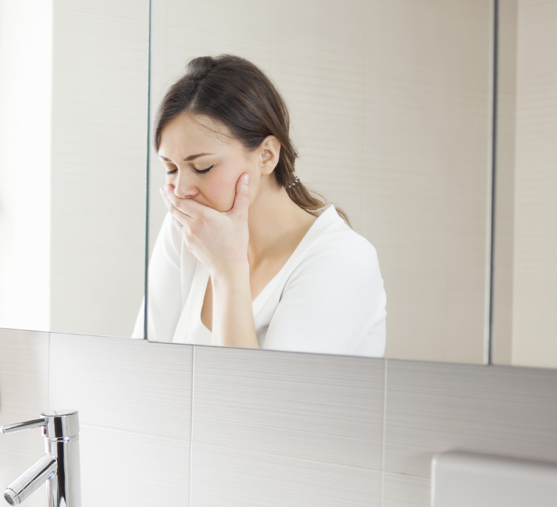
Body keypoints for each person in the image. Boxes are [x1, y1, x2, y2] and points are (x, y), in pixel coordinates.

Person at [136, 55, 386, 356]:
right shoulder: (187, 230)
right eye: (171, 169)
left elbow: (260, 400)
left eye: (202, 167)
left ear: (266, 155)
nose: (181, 191)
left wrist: (228, 270)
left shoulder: (342, 259)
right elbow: (141, 367)